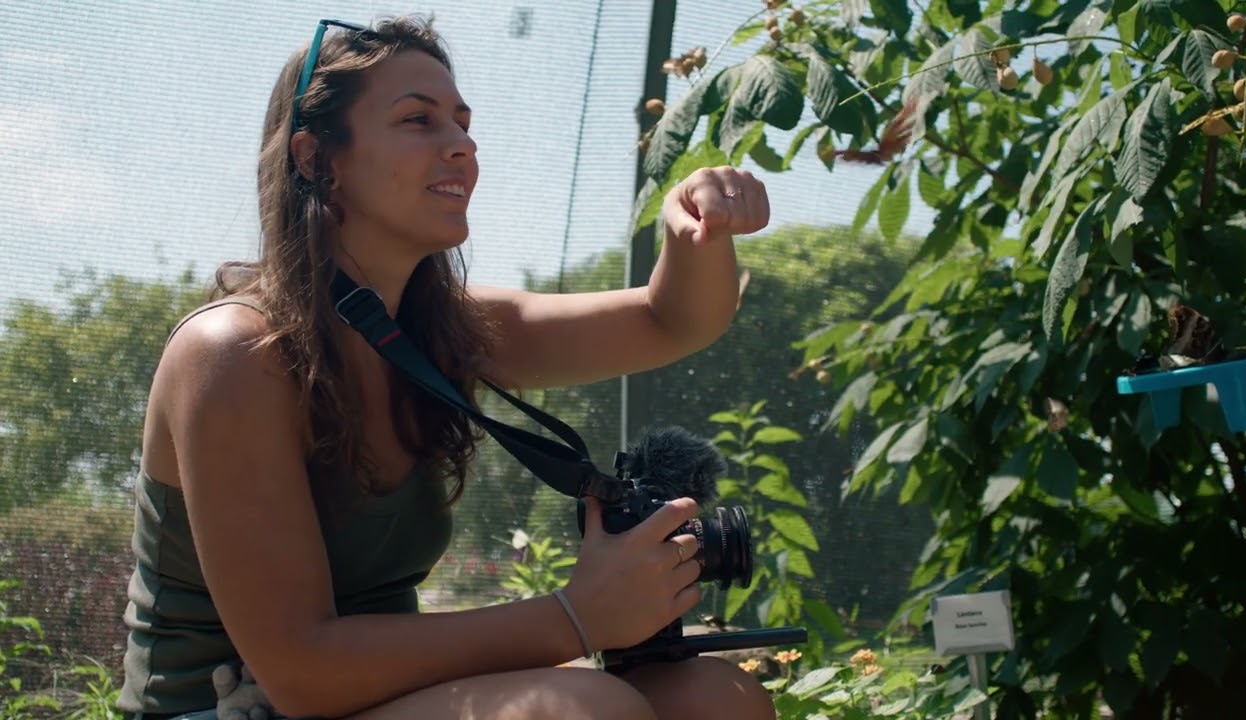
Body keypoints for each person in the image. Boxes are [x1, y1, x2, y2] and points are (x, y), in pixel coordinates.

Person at [118, 13, 776, 720]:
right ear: (315, 160)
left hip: (376, 699)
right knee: (576, 712)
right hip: (224, 708)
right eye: (418, 121)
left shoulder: (446, 331)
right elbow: (300, 673)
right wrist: (578, 616)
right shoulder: (233, 355)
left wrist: (696, 230)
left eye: (462, 122)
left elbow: (670, 319)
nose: (462, 145)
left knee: (718, 698)